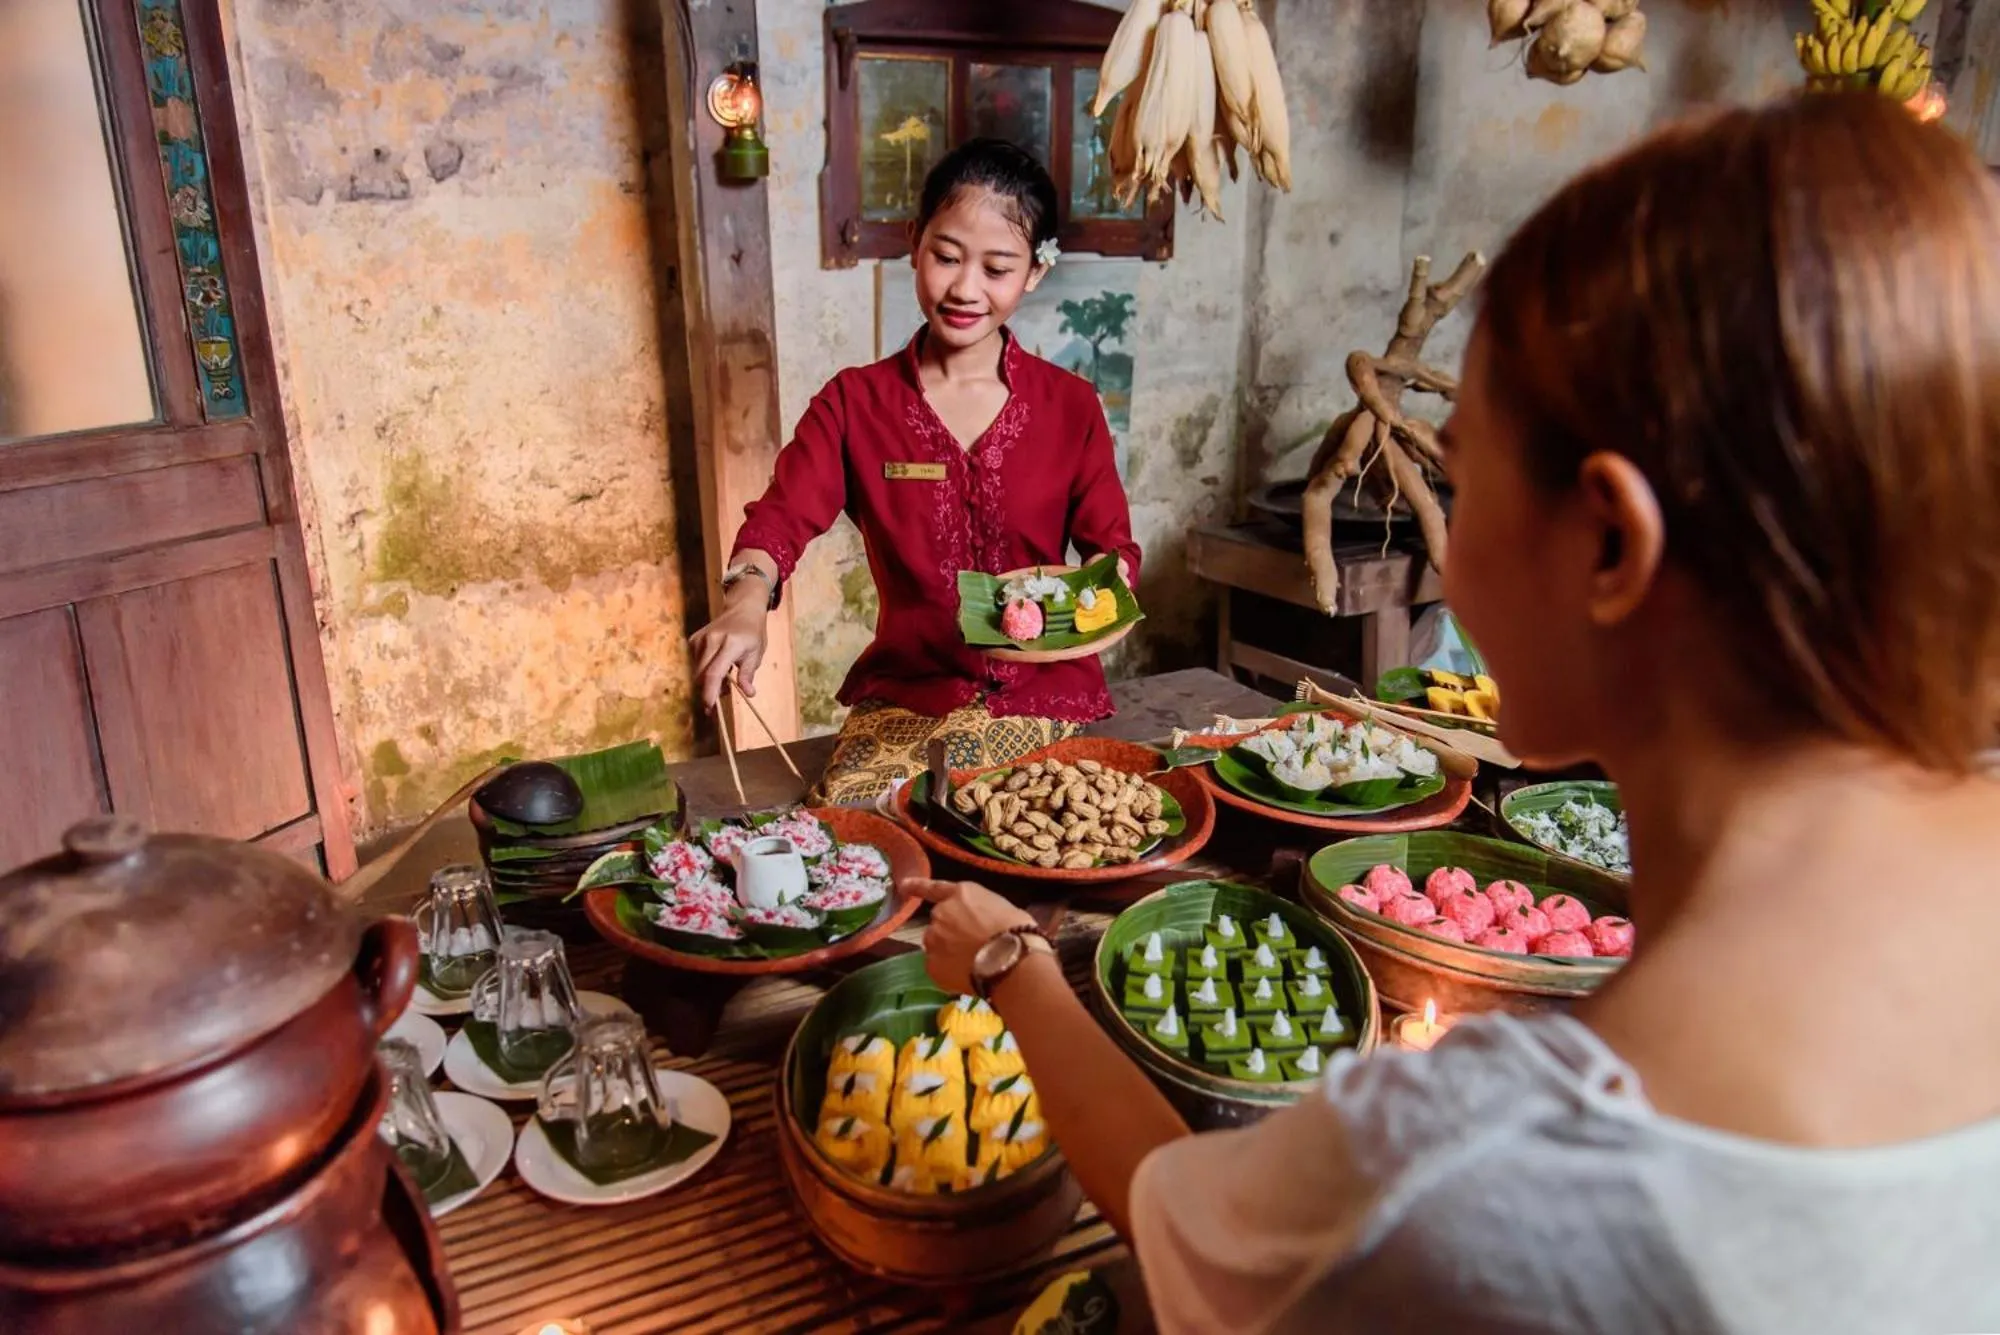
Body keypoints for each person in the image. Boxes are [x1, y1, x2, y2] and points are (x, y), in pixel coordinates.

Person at [908, 93, 2000, 1333]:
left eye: (1457, 479)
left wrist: (1010, 968)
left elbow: (1183, 1223)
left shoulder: (1470, 1169)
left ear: (1607, 544)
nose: (1446, 544)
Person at [688, 138, 1138, 804]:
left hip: (1048, 697)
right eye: (947, 257)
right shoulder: (855, 402)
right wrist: (746, 600)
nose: (965, 288)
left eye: (998, 268)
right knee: (856, 838)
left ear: (1035, 272)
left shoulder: (1070, 405)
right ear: (914, 243)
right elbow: (780, 518)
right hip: (910, 697)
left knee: (1056, 834)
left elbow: (1113, 552)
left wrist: (1111, 585)